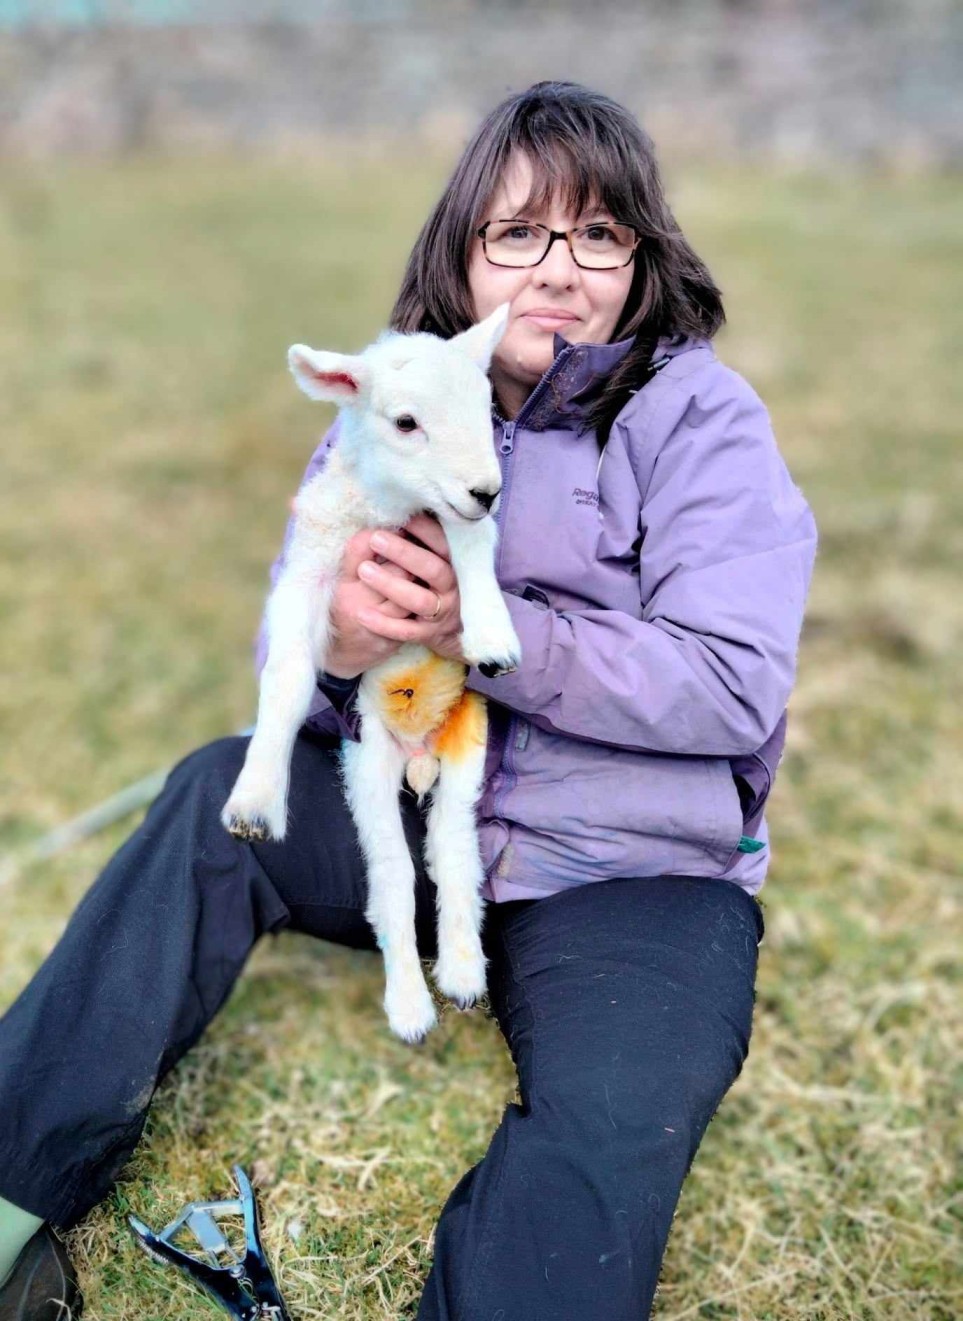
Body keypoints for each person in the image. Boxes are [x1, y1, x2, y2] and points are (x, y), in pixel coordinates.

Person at [0, 80, 817, 1320]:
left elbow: (729, 684)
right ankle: (10, 1194)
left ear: (644, 260)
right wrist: (335, 643)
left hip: (633, 869)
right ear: (461, 252)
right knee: (211, 802)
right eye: (518, 233)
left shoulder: (704, 421)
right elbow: (313, 676)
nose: (559, 269)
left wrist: (487, 636)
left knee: (610, 1134)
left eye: (600, 235)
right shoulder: (397, 402)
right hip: (430, 819)